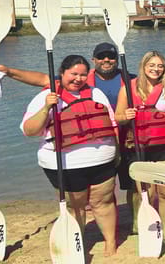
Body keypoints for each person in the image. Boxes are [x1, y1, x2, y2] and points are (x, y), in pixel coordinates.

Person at [0, 42, 139, 231]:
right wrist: (9, 71)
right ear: (94, 59)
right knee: (101, 196)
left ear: (117, 60)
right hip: (86, 141)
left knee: (132, 186)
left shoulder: (128, 78)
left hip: (121, 138)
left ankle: (135, 223)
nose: (106, 60)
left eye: (110, 57)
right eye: (101, 56)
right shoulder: (81, 79)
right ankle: (95, 226)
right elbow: (41, 79)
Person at [20, 55, 119, 256]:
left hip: (103, 161)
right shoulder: (46, 96)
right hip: (65, 164)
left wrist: (117, 153)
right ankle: (78, 244)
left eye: (83, 74)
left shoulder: (96, 92)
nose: (78, 79)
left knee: (104, 202)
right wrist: (47, 106)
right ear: (62, 73)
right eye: (73, 74)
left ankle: (110, 242)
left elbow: (112, 124)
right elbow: (29, 130)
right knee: (76, 207)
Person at [114, 51, 165, 246]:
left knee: (164, 191)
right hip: (138, 147)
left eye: (160, 66)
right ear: (144, 67)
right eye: (152, 65)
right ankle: (148, 226)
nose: (156, 69)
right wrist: (125, 115)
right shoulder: (128, 89)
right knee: (147, 192)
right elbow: (118, 116)